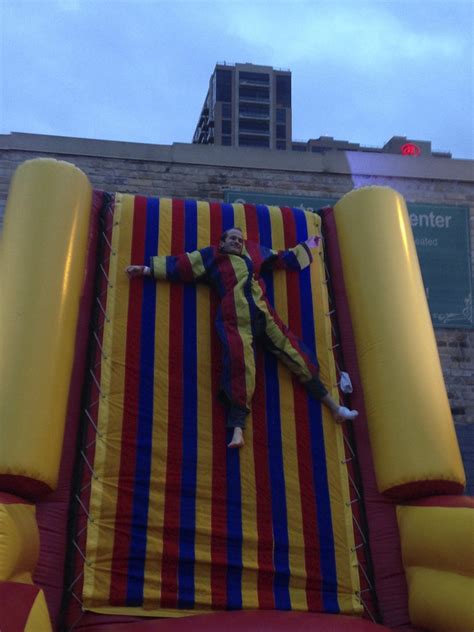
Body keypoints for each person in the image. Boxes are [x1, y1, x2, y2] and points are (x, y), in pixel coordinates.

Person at [126, 227, 358, 449]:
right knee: (240, 366)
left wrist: (310, 245)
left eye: (240, 239)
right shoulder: (212, 257)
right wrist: (146, 270)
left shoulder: (255, 253)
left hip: (264, 315)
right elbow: (183, 265)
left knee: (296, 354)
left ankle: (335, 408)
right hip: (235, 320)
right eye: (232, 238)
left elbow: (282, 258)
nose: (237, 241)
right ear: (222, 242)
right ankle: (237, 427)